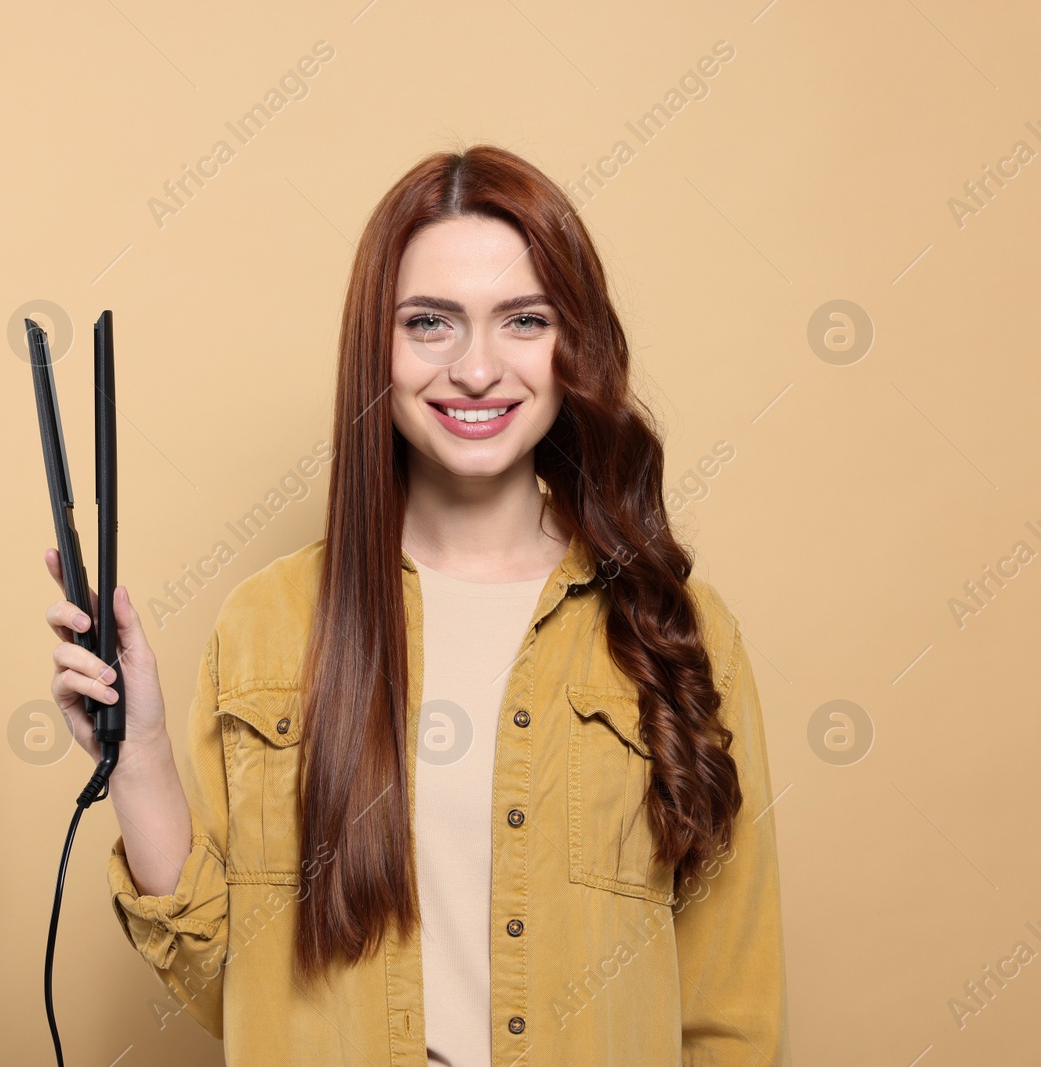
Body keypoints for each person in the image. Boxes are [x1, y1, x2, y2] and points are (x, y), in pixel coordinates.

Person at [42, 143, 792, 1066]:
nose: (476, 369)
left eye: (523, 319)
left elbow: (731, 1014)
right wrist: (140, 753)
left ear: (574, 345)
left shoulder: (680, 632)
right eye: (431, 323)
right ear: (378, 348)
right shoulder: (267, 624)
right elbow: (223, 984)